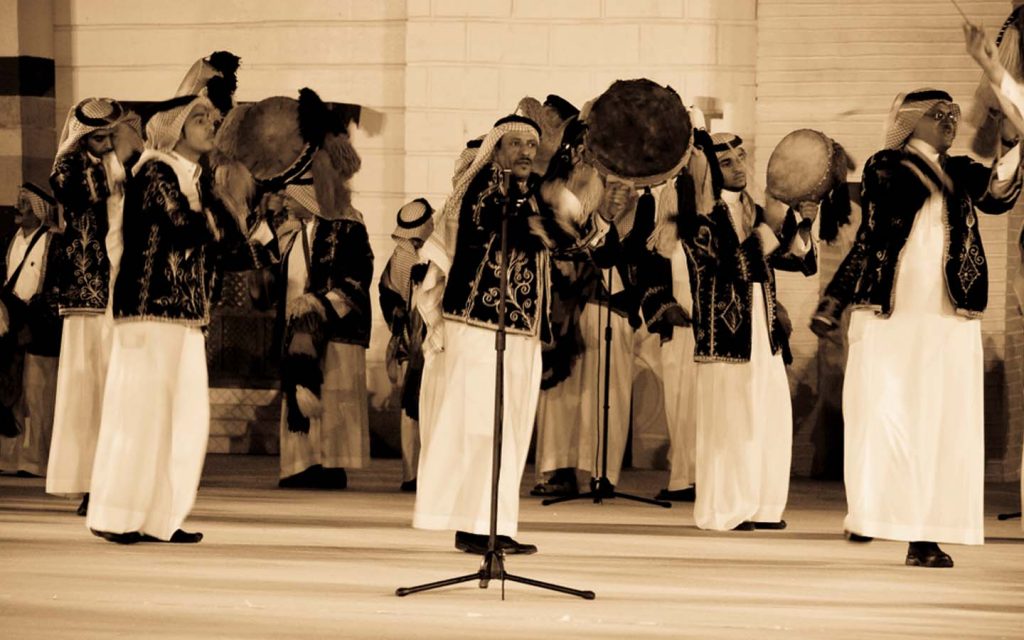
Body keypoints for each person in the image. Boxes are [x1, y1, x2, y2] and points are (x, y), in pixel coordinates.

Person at [811, 25, 1024, 567]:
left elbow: (1000, 189)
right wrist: (834, 302)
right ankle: (876, 514)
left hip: (949, 315)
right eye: (939, 114)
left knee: (940, 421)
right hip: (895, 314)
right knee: (888, 415)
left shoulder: (956, 171)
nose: (952, 120)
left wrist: (994, 77)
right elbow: (890, 209)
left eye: (955, 114)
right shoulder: (888, 166)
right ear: (910, 123)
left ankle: (923, 531)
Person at [413, 115, 592, 555]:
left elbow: (574, 241)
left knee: (506, 430)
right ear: (496, 151)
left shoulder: (529, 195)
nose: (527, 152)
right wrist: (554, 212)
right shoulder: (484, 190)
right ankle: (476, 524)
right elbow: (508, 224)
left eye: (532, 145)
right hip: (478, 330)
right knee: (479, 427)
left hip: (519, 334)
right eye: (516, 144)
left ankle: (491, 522)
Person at [86, 94, 260, 544]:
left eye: (212, 119)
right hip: (149, 311)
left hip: (184, 315)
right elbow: (186, 226)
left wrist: (221, 210)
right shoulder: (155, 171)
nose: (210, 125)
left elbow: (236, 248)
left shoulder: (198, 179)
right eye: (198, 119)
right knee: (139, 417)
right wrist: (220, 214)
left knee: (182, 421)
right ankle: (117, 514)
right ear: (175, 128)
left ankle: (161, 518)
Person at [677, 132, 816, 532]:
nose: (739, 166)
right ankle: (726, 508)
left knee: (769, 419)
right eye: (727, 162)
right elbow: (731, 268)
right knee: (731, 422)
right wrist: (770, 229)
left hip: (765, 330)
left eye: (741, 157)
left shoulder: (756, 209)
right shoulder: (697, 215)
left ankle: (764, 506)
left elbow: (798, 261)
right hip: (724, 334)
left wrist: (804, 221)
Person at [46, 97, 138, 516]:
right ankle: (87, 481)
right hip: (88, 294)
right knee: (86, 389)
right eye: (98, 137)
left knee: (116, 388)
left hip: (121, 287)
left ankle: (116, 477)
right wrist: (114, 166)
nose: (105, 143)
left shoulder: (122, 164)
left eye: (109, 136)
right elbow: (76, 193)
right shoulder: (70, 166)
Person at [274, 177, 374, 490]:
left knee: (335, 394)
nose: (286, 204)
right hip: (297, 329)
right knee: (299, 393)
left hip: (336, 328)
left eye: (291, 198)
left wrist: (319, 303)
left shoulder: (347, 226)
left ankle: (331, 465)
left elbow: (359, 275)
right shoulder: (289, 233)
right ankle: (300, 465)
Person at [0, 184, 62, 478]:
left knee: (39, 397)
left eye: (24, 203)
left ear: (38, 210)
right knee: (11, 395)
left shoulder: (52, 242)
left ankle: (37, 460)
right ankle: (10, 460)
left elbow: (54, 289)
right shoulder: (13, 240)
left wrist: (32, 321)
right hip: (12, 328)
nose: (17, 207)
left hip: (40, 331)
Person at [379, 199, 434, 492]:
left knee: (430, 408)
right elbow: (387, 293)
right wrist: (399, 315)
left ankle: (430, 472)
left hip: (435, 344)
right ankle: (410, 474)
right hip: (409, 345)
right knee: (409, 410)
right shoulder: (399, 256)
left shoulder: (439, 250)